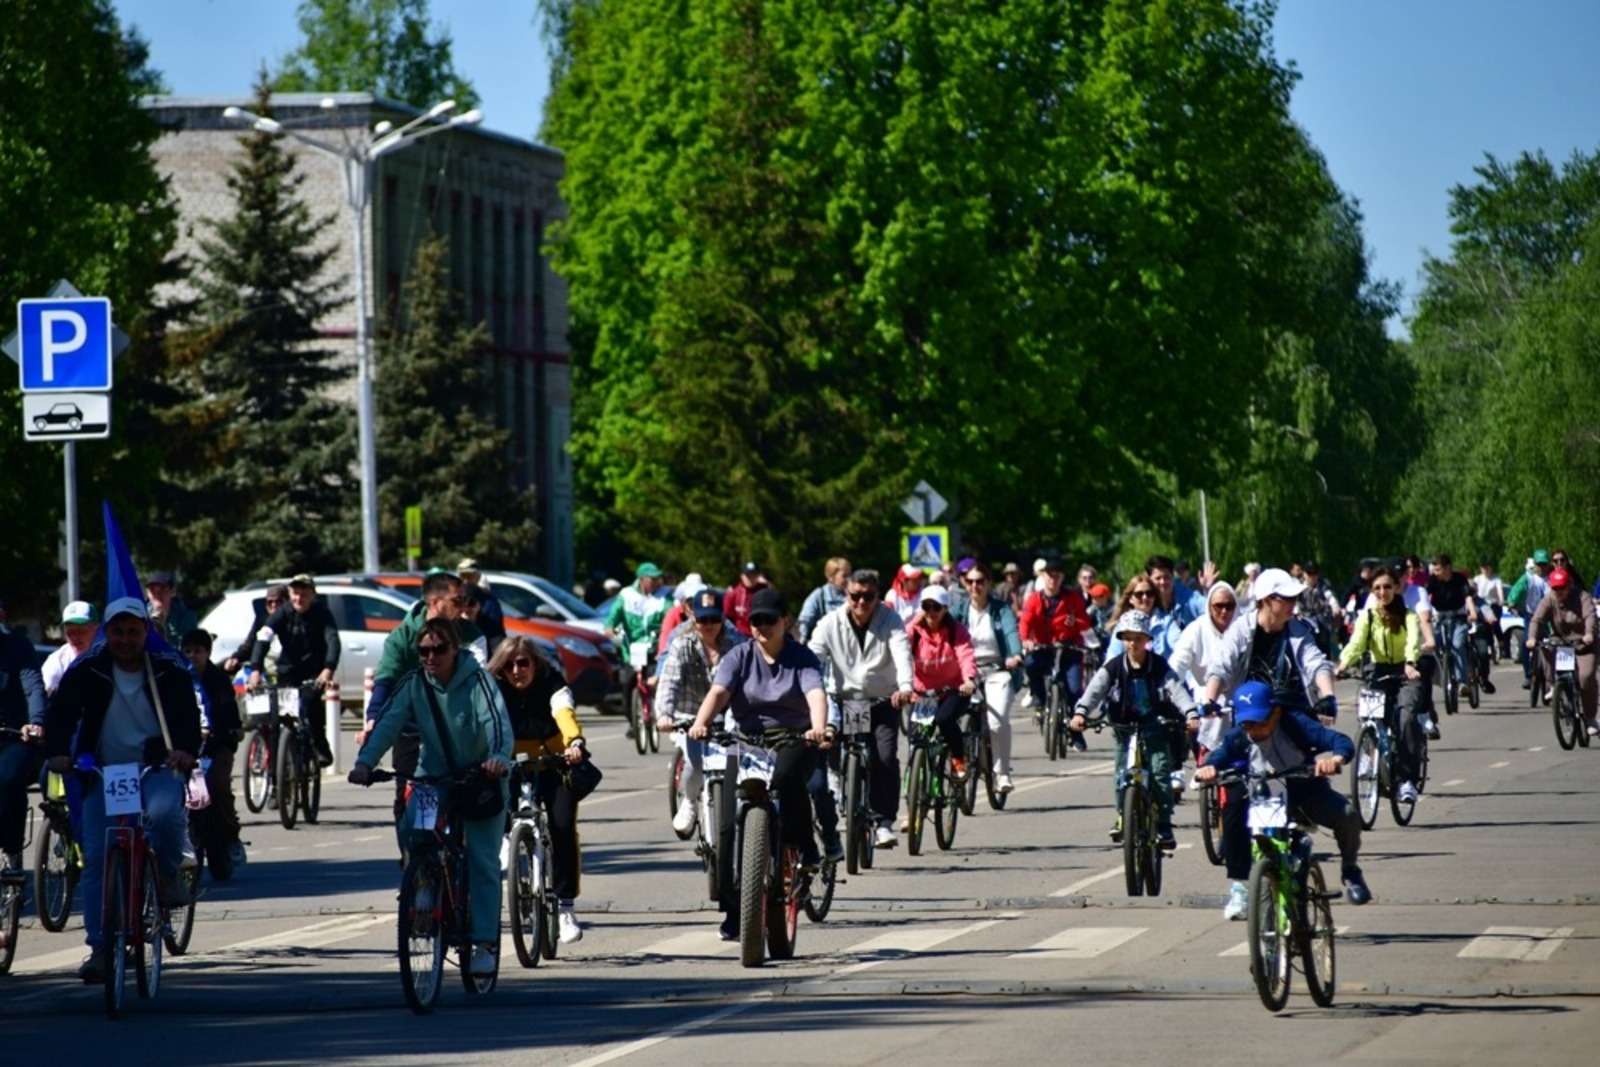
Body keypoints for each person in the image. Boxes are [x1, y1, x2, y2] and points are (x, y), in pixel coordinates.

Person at [45, 597, 202, 983]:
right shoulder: (88, 670)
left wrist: (184, 750)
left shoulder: (168, 670)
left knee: (164, 815)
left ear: (146, 633)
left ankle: (167, 877)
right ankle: (101, 947)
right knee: (98, 855)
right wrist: (58, 754)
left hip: (156, 768)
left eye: (134, 631)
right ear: (106, 633)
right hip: (105, 772)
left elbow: (187, 718)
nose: (126, 639)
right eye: (118, 631)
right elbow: (61, 714)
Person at [350, 618, 512, 976]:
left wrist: (499, 758)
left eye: (439, 649)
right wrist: (365, 763)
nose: (431, 657)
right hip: (434, 774)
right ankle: (424, 887)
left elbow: (498, 724)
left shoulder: (478, 680)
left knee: (482, 859)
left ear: (455, 649)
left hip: (482, 776)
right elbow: (388, 723)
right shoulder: (414, 682)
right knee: (415, 832)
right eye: (424, 650)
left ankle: (484, 942)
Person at [689, 587, 828, 942]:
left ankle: (804, 847)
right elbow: (719, 692)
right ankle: (737, 911)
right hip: (747, 742)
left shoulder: (802, 657)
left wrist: (818, 727)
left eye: (769, 620)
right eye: (755, 621)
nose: (762, 627)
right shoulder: (739, 656)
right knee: (728, 826)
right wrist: (701, 722)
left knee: (787, 778)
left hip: (795, 738)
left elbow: (815, 694)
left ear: (786, 621)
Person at [1194, 680, 1370, 919]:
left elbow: (1339, 741)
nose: (1254, 729)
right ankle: (1245, 883)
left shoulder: (1296, 724)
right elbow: (1220, 755)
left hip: (1304, 789)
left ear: (1276, 712)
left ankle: (1350, 869)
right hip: (1262, 794)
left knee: (1347, 815)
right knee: (1233, 813)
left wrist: (1336, 760)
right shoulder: (1241, 735)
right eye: (1247, 724)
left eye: (1260, 721)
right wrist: (1209, 768)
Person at [358, 571, 488, 844]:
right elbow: (386, 681)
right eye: (457, 599)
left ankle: (461, 859)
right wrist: (372, 719)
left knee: (465, 795)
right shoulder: (402, 637)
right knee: (411, 801)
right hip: (412, 731)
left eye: (465, 599)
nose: (464, 605)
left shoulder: (471, 634)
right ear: (434, 601)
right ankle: (417, 865)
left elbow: (480, 681)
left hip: (457, 730)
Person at [488, 634, 591, 943]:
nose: (516, 671)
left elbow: (564, 711)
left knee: (561, 826)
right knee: (492, 812)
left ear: (535, 663)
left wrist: (575, 741)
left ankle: (566, 907)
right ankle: (510, 840)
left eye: (523, 663)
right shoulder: (493, 687)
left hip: (554, 762)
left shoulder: (552, 681)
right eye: (509, 665)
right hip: (510, 764)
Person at [1071, 610, 1196, 848]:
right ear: (1122, 639)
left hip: (1155, 727)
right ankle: (1122, 815)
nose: (1133, 643)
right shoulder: (1114, 667)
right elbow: (1095, 690)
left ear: (1147, 639)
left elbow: (1176, 690)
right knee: (1121, 774)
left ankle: (1164, 824)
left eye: (1138, 638)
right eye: (1128, 638)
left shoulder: (1158, 665)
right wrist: (1081, 712)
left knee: (1160, 772)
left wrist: (1190, 713)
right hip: (1124, 729)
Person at [808, 569, 915, 847]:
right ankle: (843, 780)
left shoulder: (890, 620)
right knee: (843, 746)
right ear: (847, 595)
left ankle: (883, 822)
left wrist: (905, 686)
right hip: (850, 698)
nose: (861, 602)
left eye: (868, 596)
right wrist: (805, 683)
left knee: (885, 756)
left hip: (883, 699)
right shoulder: (831, 622)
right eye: (855, 596)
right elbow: (813, 654)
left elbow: (902, 653)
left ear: (877, 596)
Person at [658, 588, 749, 836]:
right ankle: (689, 801)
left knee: (742, 764)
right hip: (690, 717)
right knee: (695, 763)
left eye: (714, 619)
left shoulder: (739, 643)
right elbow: (669, 681)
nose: (708, 625)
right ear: (693, 618)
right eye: (702, 619)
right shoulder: (682, 644)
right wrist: (665, 714)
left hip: (729, 715)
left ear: (722, 617)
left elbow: (750, 681)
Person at [1202, 567, 1339, 726]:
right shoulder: (1241, 630)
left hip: (1291, 718)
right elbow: (1221, 668)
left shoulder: (1299, 630)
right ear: (1266, 600)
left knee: (1337, 744)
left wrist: (1328, 696)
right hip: (1251, 719)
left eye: (1294, 598)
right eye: (1286, 598)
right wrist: (1210, 701)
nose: (1293, 603)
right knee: (1226, 749)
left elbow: (1316, 664)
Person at [1338, 566, 1426, 803]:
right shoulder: (1367, 616)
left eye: (1387, 586)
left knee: (1405, 718)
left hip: (1405, 672)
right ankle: (1369, 758)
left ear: (1396, 588)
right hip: (1377, 672)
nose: (1382, 592)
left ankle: (1407, 780)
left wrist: (1410, 663)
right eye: (1377, 588)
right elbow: (1356, 643)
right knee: (1369, 719)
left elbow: (1413, 642)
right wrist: (1343, 664)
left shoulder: (1408, 615)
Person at [246, 574, 340, 767]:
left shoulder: (322, 613)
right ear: (289, 594)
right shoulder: (282, 613)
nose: (299, 599)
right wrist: (256, 669)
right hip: (287, 671)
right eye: (295, 594)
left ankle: (319, 747)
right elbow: (263, 639)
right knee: (276, 717)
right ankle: (275, 766)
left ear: (313, 595)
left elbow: (333, 640)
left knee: (310, 704)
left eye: (304, 594)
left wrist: (328, 669)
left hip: (314, 673)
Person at [951, 563, 1023, 793]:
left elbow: (1012, 632)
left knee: (996, 721)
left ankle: (1001, 773)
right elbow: (942, 631)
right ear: (964, 583)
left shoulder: (1001, 610)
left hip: (997, 670)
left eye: (980, 581)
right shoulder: (959, 610)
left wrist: (1015, 654)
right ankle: (959, 762)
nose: (975, 586)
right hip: (965, 672)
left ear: (989, 583)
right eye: (970, 581)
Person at [180, 628, 248, 869]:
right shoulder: (178, 678)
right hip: (186, 747)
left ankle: (231, 838)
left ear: (208, 653)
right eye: (187, 651)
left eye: (197, 651)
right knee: (176, 790)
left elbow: (230, 713)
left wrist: (232, 731)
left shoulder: (217, 679)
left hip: (216, 745)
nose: (192, 656)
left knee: (218, 786)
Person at [1018, 556, 1092, 749]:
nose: (1053, 579)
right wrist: (1026, 640)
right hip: (1043, 647)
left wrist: (1074, 622)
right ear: (1043, 576)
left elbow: (1085, 622)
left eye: (1057, 576)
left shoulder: (1072, 598)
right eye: (1049, 575)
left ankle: (1076, 733)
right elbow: (1026, 620)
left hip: (1069, 649)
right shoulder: (1035, 599)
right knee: (1031, 664)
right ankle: (1041, 700)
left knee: (1074, 690)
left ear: (1062, 578)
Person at [906, 585, 978, 779]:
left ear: (945, 608)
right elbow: (900, 648)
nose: (930, 612)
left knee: (944, 719)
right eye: (926, 607)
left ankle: (958, 758)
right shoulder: (915, 632)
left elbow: (965, 655)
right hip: (923, 693)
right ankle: (918, 775)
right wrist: (914, 623)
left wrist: (968, 680)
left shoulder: (956, 631)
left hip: (953, 691)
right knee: (916, 737)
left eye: (936, 607)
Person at [0, 598, 45, 876]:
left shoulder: (18, 647)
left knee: (6, 780)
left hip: (13, 736)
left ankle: (12, 851)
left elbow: (33, 687)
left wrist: (36, 721)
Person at [1527, 567, 1599, 736]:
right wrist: (1531, 638)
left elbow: (1590, 617)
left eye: (1562, 587)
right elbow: (1537, 620)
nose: (1558, 591)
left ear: (1569, 586)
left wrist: (1589, 634)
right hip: (1561, 641)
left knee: (1585, 677)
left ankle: (1590, 718)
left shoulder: (1582, 597)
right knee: (1544, 647)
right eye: (1555, 588)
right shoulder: (1549, 599)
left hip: (1583, 644)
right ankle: (1554, 684)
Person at [607, 562, 669, 719]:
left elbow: (671, 615)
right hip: (632, 648)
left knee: (658, 682)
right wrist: (610, 627)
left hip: (655, 647)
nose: (656, 582)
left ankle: (660, 714)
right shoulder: (626, 595)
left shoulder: (665, 596)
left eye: (657, 578)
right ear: (641, 579)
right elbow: (614, 615)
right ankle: (632, 720)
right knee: (628, 683)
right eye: (652, 579)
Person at [1426, 553, 1482, 699]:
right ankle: (1445, 672)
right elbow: (1425, 597)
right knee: (1434, 643)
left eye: (1438, 570)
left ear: (1448, 568)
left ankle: (1462, 682)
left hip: (1459, 617)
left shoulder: (1459, 579)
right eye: (1434, 569)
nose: (1435, 573)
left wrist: (1473, 612)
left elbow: (1467, 596)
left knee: (1457, 644)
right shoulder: (1432, 580)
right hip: (1440, 617)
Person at [224, 584, 287, 674]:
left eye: (278, 601)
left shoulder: (294, 621)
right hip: (266, 673)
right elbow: (249, 645)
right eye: (270, 602)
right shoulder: (262, 621)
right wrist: (235, 657)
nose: (274, 605)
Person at [42, 599, 99, 695]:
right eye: (70, 632)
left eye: (82, 631)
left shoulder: (110, 656)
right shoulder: (57, 661)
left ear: (96, 628)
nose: (75, 637)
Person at [456, 558, 507, 651]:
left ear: (477, 576)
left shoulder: (489, 602)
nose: (467, 580)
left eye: (470, 576)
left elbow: (496, 636)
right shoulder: (454, 599)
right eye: (464, 576)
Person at [797, 557, 851, 643]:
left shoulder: (854, 595)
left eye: (849, 575)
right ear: (831, 577)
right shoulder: (820, 595)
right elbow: (804, 621)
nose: (848, 579)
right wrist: (800, 644)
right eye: (844, 576)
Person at [144, 570, 198, 646]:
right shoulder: (141, 617)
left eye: (162, 588)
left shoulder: (187, 618)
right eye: (152, 589)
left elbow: (190, 649)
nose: (157, 594)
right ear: (147, 593)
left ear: (172, 591)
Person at [722, 561, 768, 636]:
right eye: (748, 575)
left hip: (761, 632)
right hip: (741, 634)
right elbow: (727, 614)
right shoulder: (734, 592)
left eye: (754, 575)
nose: (750, 578)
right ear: (742, 576)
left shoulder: (764, 590)